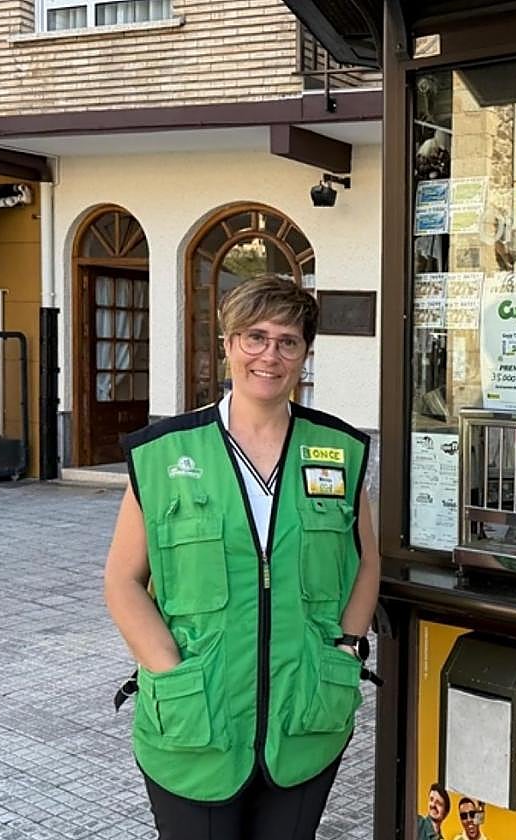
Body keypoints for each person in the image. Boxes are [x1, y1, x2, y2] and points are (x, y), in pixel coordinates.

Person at [103, 275, 381, 840]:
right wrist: (168, 671)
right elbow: (123, 581)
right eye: (254, 337)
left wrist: (346, 650)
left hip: (306, 714)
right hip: (195, 722)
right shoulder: (165, 453)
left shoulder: (339, 451)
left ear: (305, 354)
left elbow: (366, 563)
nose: (269, 355)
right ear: (228, 345)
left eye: (287, 341)